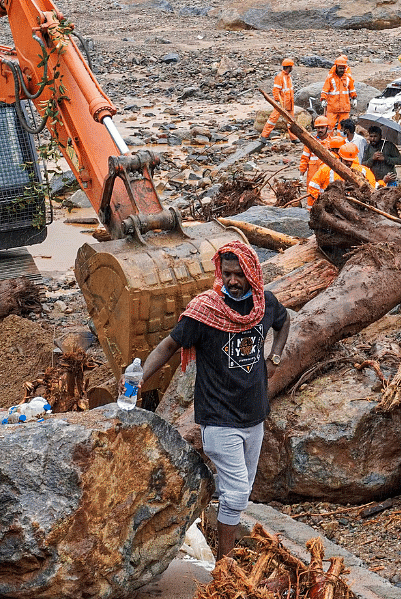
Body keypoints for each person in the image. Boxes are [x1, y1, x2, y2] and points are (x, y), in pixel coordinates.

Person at [138, 240, 289, 560]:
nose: (233, 280)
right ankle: (225, 563)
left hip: (254, 415)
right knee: (235, 495)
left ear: (252, 273)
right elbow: (168, 347)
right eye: (227, 273)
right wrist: (139, 379)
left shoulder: (265, 304)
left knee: (240, 492)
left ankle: (193, 522)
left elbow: (283, 321)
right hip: (219, 418)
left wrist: (274, 357)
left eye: (239, 274)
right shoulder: (205, 311)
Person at [306, 139, 361, 206]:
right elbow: (313, 187)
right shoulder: (326, 169)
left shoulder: (360, 170)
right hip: (329, 206)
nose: (349, 163)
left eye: (350, 161)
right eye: (346, 161)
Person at [320, 55, 357, 134]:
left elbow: (352, 89)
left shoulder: (347, 78)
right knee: (329, 126)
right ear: (336, 67)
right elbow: (325, 90)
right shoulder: (330, 78)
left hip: (344, 108)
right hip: (332, 107)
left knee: (344, 127)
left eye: (343, 68)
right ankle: (328, 143)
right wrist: (323, 99)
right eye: (340, 68)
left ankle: (341, 142)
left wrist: (354, 98)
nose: (342, 70)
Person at [261, 58, 295, 140]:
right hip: (282, 102)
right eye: (291, 67)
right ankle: (264, 136)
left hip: (289, 102)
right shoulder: (280, 77)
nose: (292, 68)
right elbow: (276, 90)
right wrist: (277, 101)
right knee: (273, 119)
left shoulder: (288, 77)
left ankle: (293, 138)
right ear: (289, 67)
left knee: (291, 121)